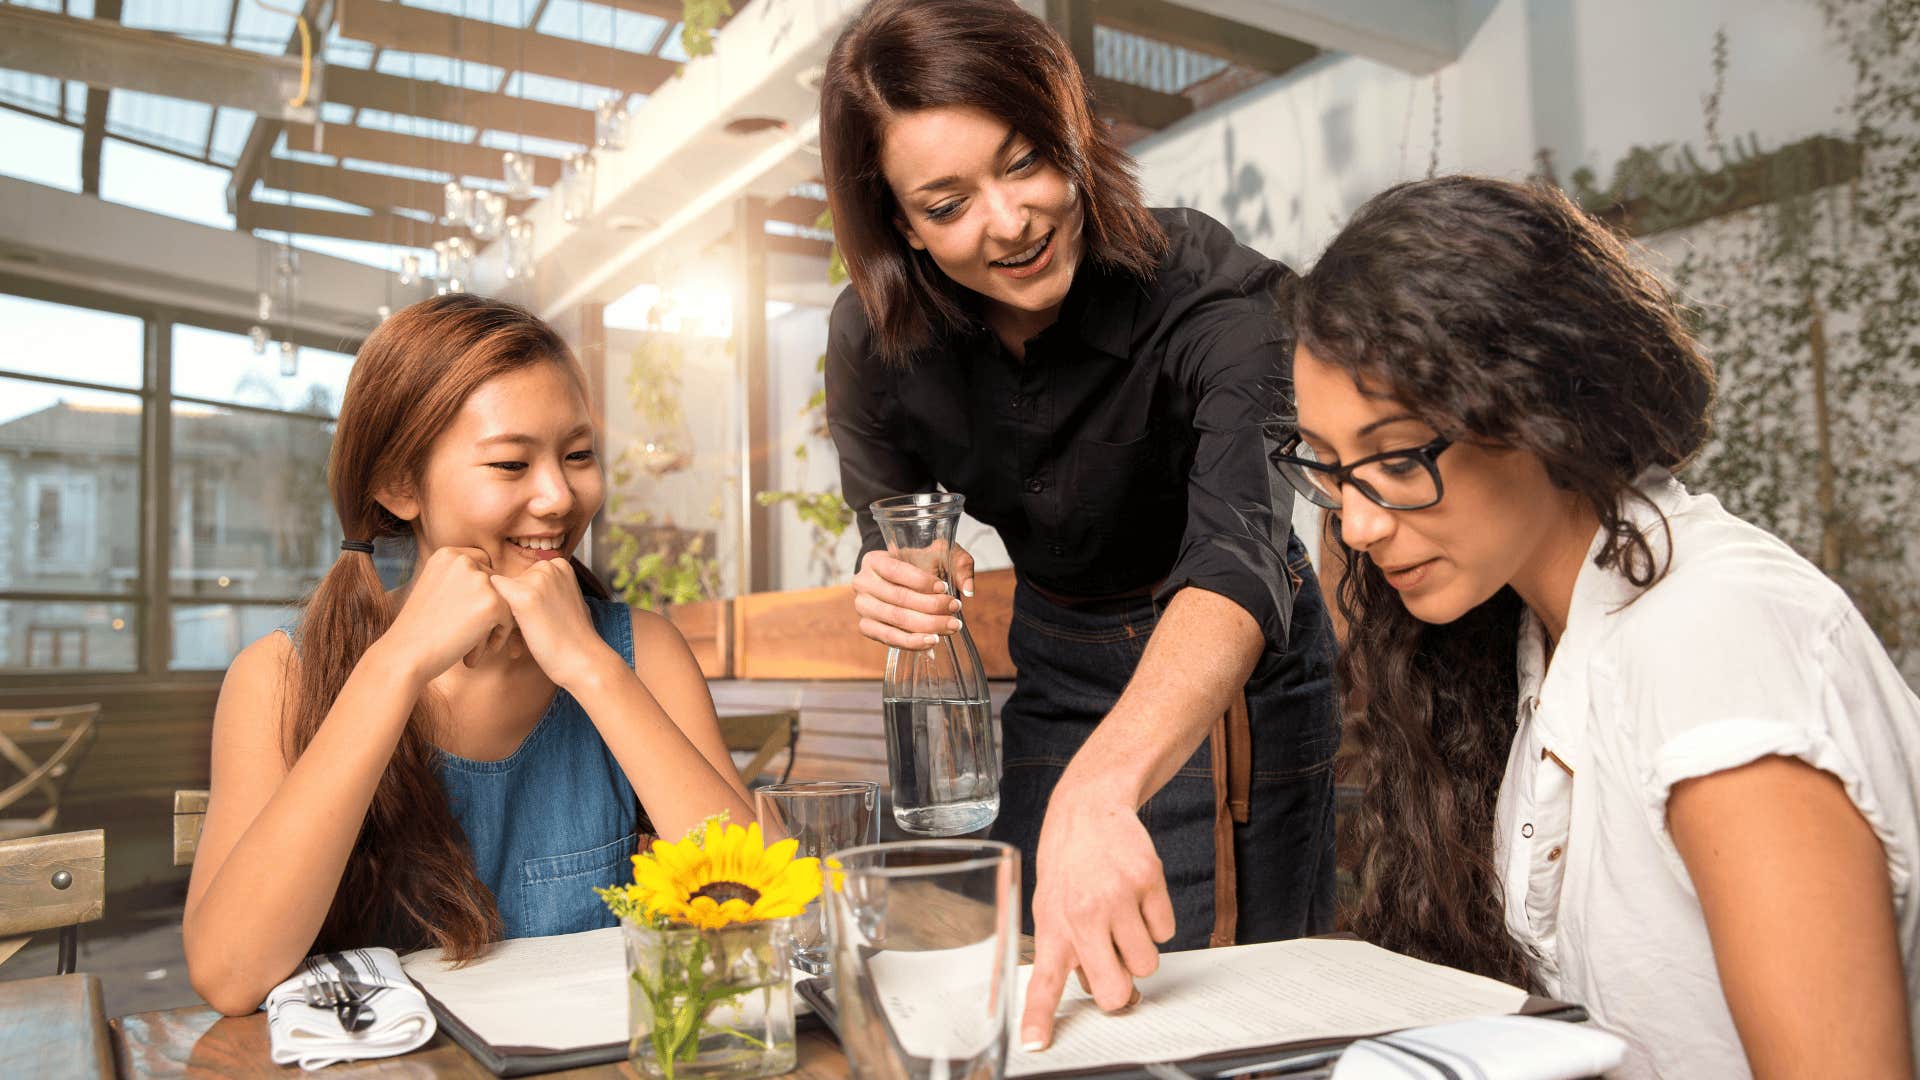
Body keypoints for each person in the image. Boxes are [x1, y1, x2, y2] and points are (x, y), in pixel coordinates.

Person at [1283, 175, 1918, 1078]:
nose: (1358, 523)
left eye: (1394, 458)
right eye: (1333, 470)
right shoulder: (1543, 635)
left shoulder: (1712, 639)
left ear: (1535, 405)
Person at [819, 0, 1340, 1049]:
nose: (1006, 222)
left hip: (1227, 671)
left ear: (1071, 132)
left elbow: (1243, 555)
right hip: (1055, 662)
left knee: (1223, 1015)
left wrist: (1102, 789)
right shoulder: (876, 339)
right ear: (900, 223)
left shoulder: (1211, 299)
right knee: (1038, 991)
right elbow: (897, 531)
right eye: (947, 202)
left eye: (1024, 164)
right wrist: (895, 575)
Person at [183, 295, 756, 1015]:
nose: (558, 496)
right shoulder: (279, 678)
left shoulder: (642, 653)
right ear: (398, 483)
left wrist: (591, 667)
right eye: (511, 464)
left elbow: (758, 907)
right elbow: (231, 977)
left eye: (578, 456)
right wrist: (396, 668)